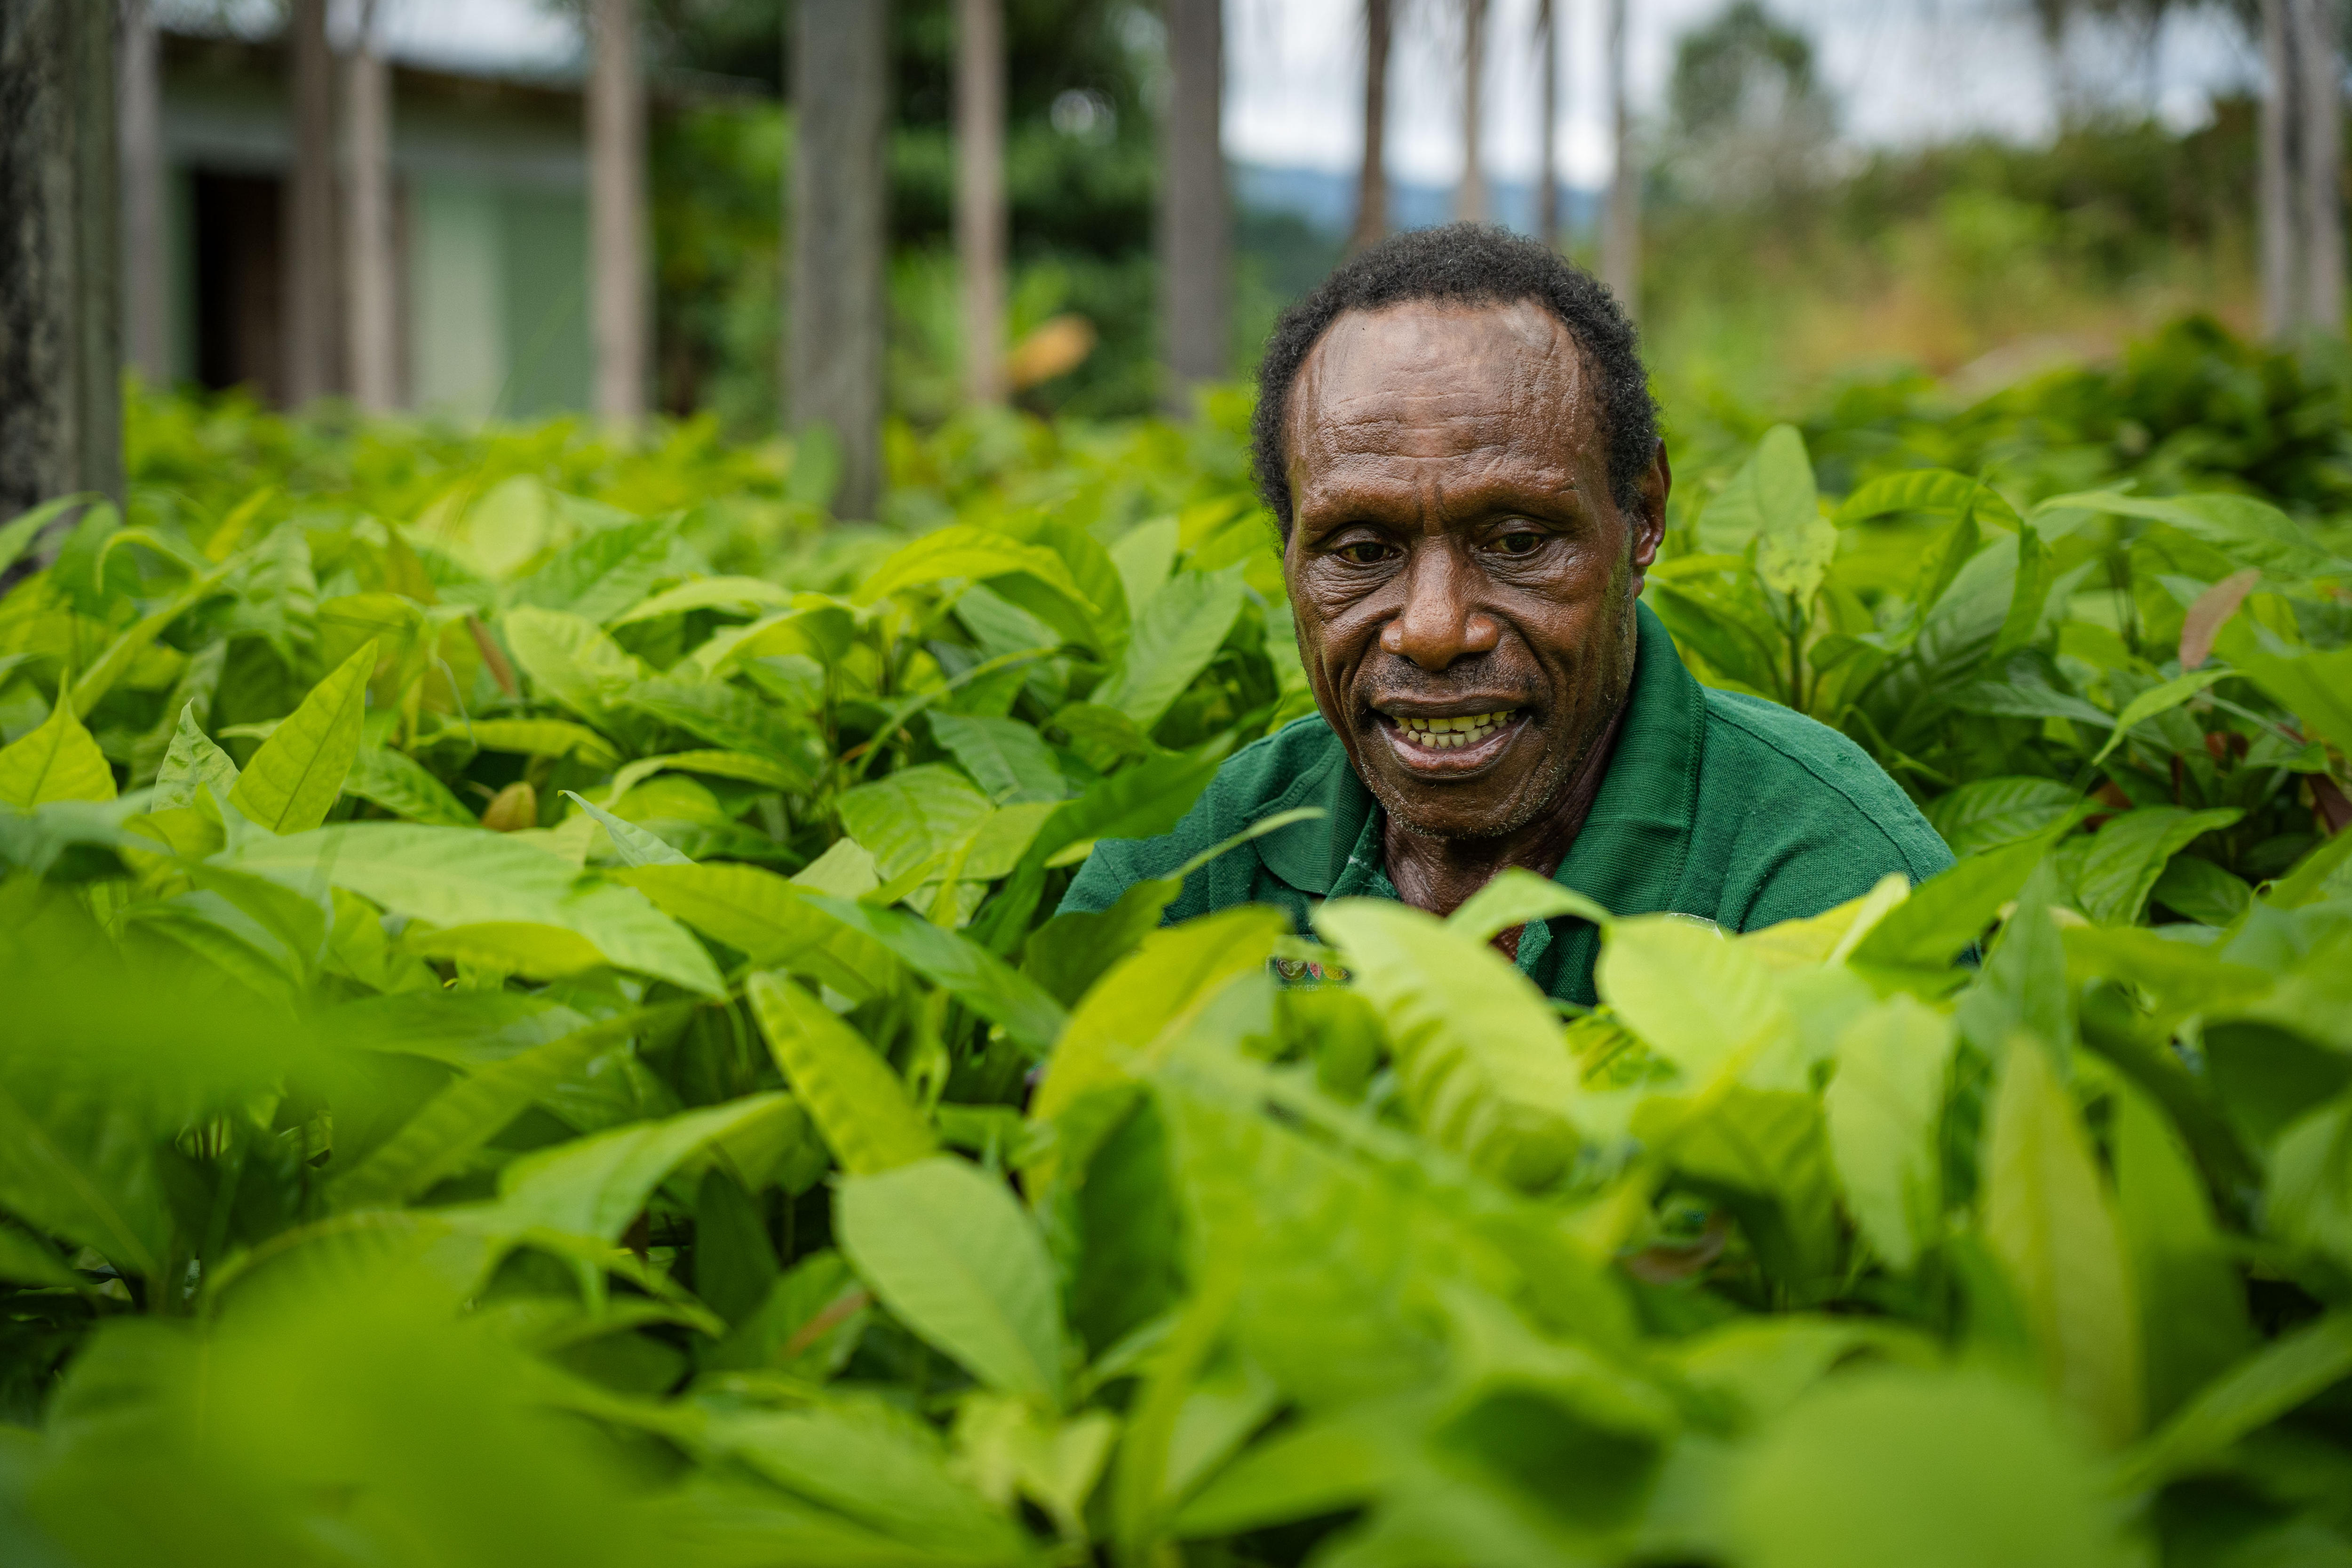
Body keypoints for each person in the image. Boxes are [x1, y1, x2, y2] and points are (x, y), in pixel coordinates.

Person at [1058, 224, 1952, 1004]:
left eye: (1517, 541)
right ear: (1289, 553)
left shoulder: (1825, 869)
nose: (1434, 630)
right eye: (1362, 553)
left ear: (1642, 517)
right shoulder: (1202, 855)